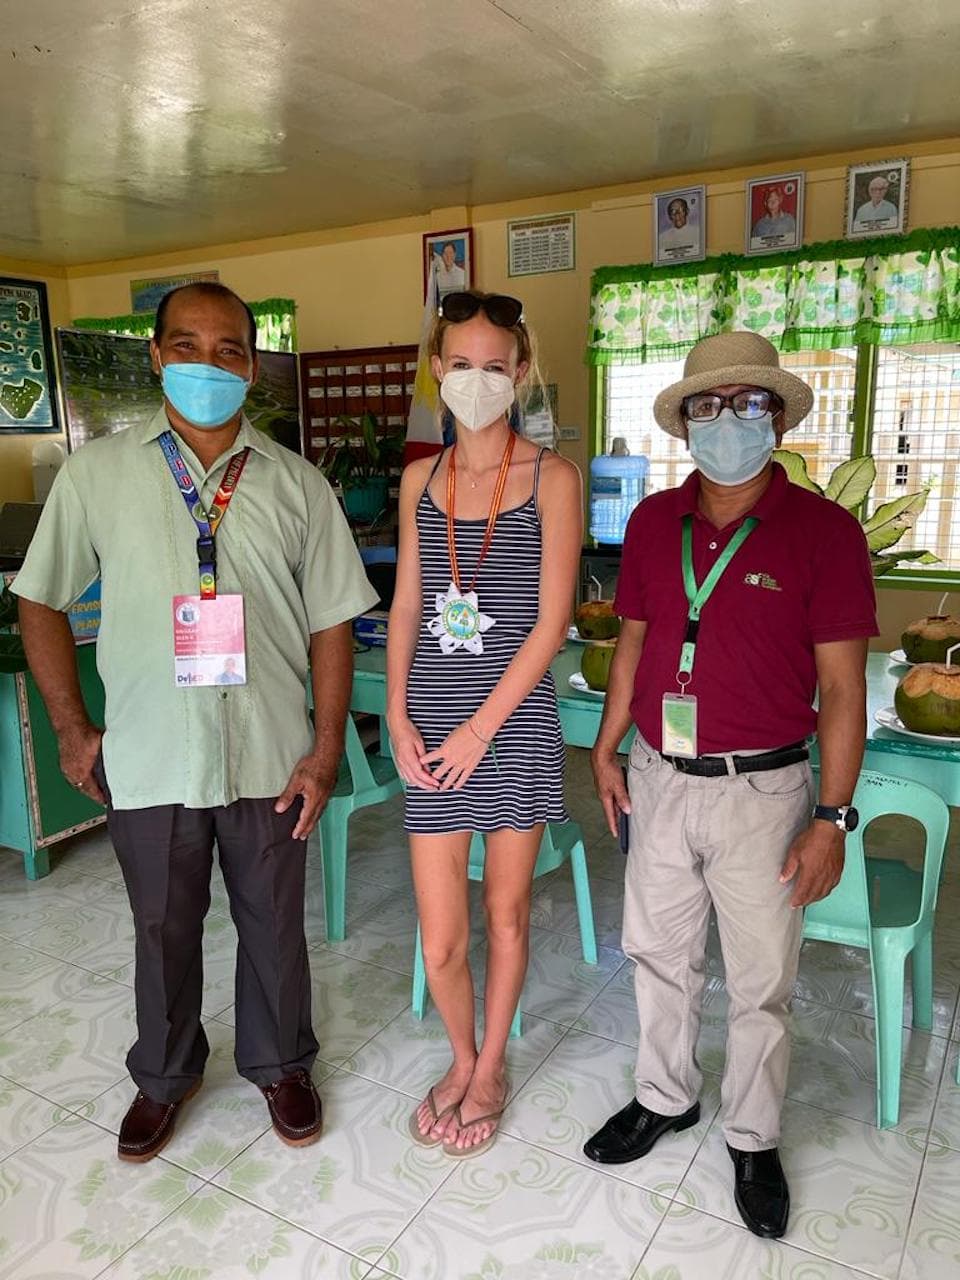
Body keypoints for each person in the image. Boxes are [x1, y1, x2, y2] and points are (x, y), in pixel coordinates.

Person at [13, 282, 377, 1162]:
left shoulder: (297, 483)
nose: (206, 365)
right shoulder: (97, 475)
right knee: (161, 927)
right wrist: (71, 727)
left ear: (250, 367)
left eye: (227, 350)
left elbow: (334, 620)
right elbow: (40, 598)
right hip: (151, 754)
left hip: (269, 753)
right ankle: (164, 1076)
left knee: (274, 924)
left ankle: (282, 1065)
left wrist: (327, 748)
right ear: (156, 356)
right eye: (186, 346)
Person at [584, 332, 877, 1238]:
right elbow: (633, 642)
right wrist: (606, 745)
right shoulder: (651, 523)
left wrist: (831, 818)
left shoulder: (825, 532)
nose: (728, 422)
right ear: (684, 424)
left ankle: (753, 1136)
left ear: (777, 418)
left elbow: (843, 689)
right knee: (658, 955)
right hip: (658, 776)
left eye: (750, 403)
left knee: (760, 982)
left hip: (766, 792)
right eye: (708, 406)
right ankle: (665, 1096)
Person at [387, 290, 581, 1157]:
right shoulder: (419, 481)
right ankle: (460, 1057)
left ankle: (492, 1065)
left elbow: (550, 623)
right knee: (441, 940)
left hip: (512, 728)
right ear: (437, 369)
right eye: (460, 364)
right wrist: (399, 715)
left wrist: (480, 732)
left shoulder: (552, 479)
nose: (476, 380)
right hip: (431, 728)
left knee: (505, 915)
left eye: (494, 367)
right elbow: (406, 605)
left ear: (521, 372)